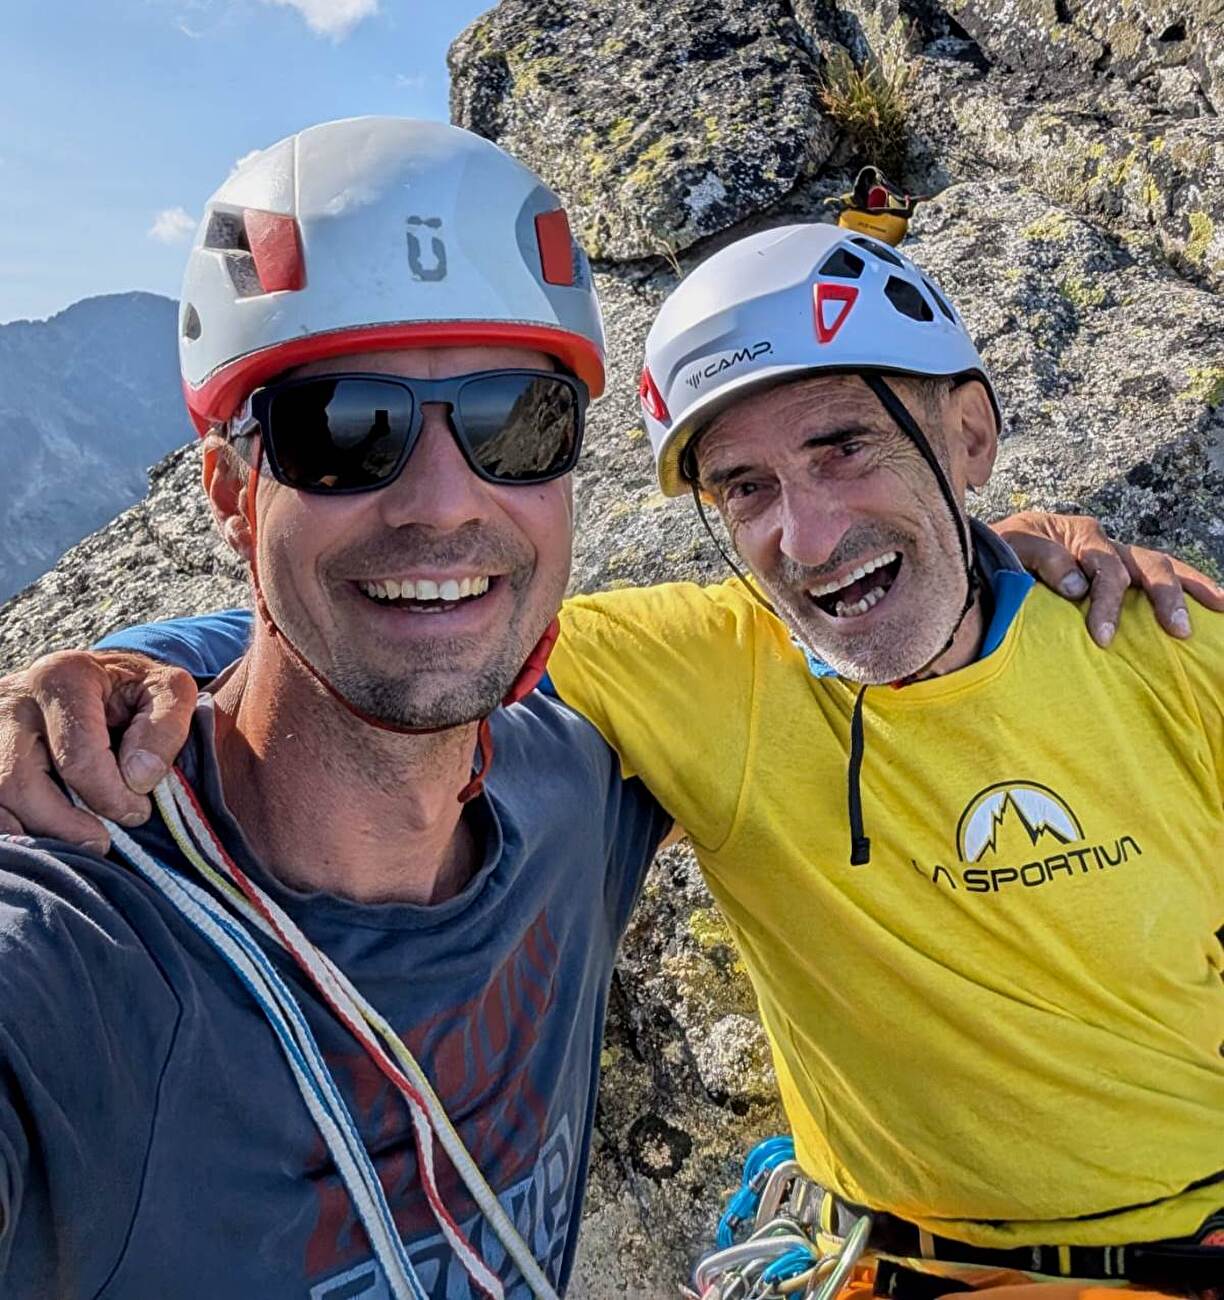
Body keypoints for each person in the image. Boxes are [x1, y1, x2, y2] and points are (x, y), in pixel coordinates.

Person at [0, 136, 1218, 1299]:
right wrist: (117, 668)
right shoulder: (711, 675)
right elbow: (406, 634)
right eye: (344, 433)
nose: (807, 535)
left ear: (968, 438)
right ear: (232, 486)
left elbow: (444, 614)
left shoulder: (1176, 650)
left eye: (513, 427)